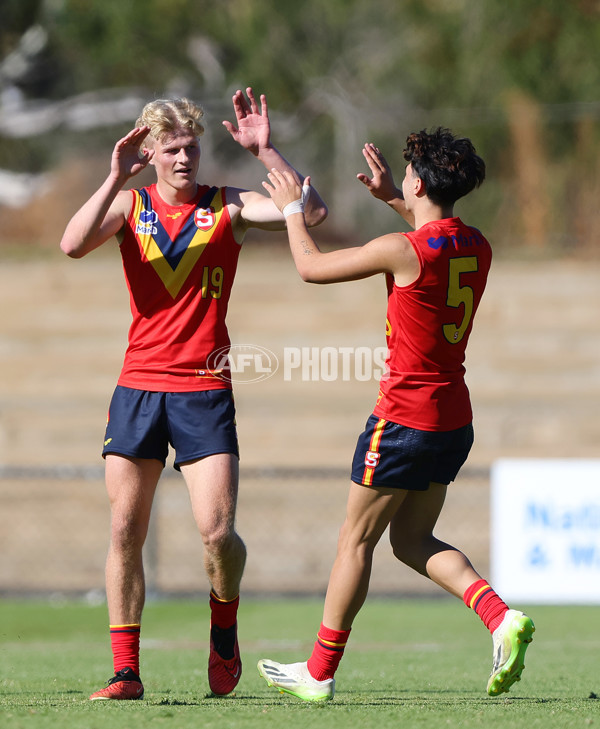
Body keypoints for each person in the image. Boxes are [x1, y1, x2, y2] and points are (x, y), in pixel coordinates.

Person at [59, 88, 327, 701]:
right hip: (138, 389)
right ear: (150, 151)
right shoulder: (130, 206)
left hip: (205, 390)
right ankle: (126, 672)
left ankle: (224, 625)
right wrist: (110, 178)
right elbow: (72, 245)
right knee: (125, 527)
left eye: (192, 147)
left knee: (216, 534)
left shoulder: (227, 206)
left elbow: (309, 212)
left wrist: (268, 151)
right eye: (173, 149)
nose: (185, 158)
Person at [256, 129, 534, 701]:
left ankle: (319, 672)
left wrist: (290, 210)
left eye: (408, 172)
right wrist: (395, 198)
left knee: (354, 543)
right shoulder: (477, 244)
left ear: (420, 182)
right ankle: (501, 618)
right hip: (452, 419)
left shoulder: (400, 248)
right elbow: (429, 238)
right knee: (411, 541)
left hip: (403, 418)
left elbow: (310, 268)